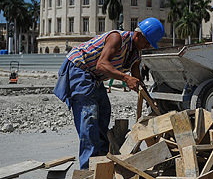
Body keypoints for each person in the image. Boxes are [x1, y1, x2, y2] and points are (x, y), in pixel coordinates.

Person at [53, 17, 164, 169]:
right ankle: (88, 169)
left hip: (94, 76)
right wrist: (125, 78)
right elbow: (102, 64)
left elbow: (137, 80)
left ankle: (102, 163)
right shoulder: (117, 38)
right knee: (89, 116)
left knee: (104, 111)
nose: (146, 46)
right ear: (138, 35)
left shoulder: (136, 54)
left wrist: (150, 100)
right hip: (79, 68)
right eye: (146, 42)